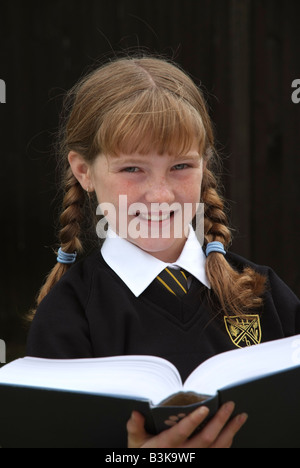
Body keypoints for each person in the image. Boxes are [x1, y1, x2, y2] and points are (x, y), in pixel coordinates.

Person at [27, 55, 300, 448]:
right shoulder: (67, 320)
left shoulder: (264, 293)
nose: (160, 195)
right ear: (84, 171)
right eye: (132, 169)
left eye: (180, 166)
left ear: (205, 165)